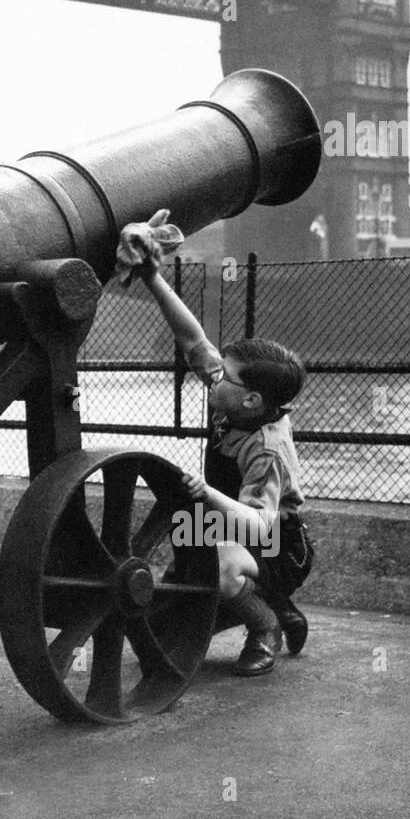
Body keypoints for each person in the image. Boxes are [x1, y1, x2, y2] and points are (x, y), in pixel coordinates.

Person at [118, 213, 314, 677]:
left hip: (276, 545)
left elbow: (262, 523)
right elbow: (192, 340)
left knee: (224, 569)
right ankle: (274, 606)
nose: (213, 374)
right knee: (168, 625)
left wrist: (207, 495)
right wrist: (152, 277)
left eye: (224, 373)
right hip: (222, 522)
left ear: (251, 397)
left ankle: (265, 624)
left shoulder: (266, 449)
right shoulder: (234, 399)